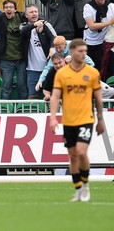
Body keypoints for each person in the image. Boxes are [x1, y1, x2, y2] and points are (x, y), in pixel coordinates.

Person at [50, 39, 104, 202]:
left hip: (86, 118)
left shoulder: (92, 73)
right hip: (68, 120)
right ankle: (78, 189)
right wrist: (53, 117)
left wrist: (100, 119)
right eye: (80, 51)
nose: (83, 54)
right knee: (72, 156)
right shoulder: (62, 74)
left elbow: (98, 98)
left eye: (85, 51)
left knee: (81, 152)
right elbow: (55, 96)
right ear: (71, 52)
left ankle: (86, 185)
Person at [20, 4, 56, 98]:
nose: (34, 14)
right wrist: (34, 25)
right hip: (32, 69)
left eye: (35, 12)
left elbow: (54, 37)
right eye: (31, 12)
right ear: (26, 15)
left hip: (48, 68)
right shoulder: (23, 26)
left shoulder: (46, 24)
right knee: (32, 96)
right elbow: (22, 31)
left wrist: (52, 47)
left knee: (50, 95)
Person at [83, 0, 114, 71]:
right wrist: (109, 22)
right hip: (90, 42)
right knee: (90, 68)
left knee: (102, 68)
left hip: (103, 42)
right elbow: (92, 26)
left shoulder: (111, 6)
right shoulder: (88, 7)